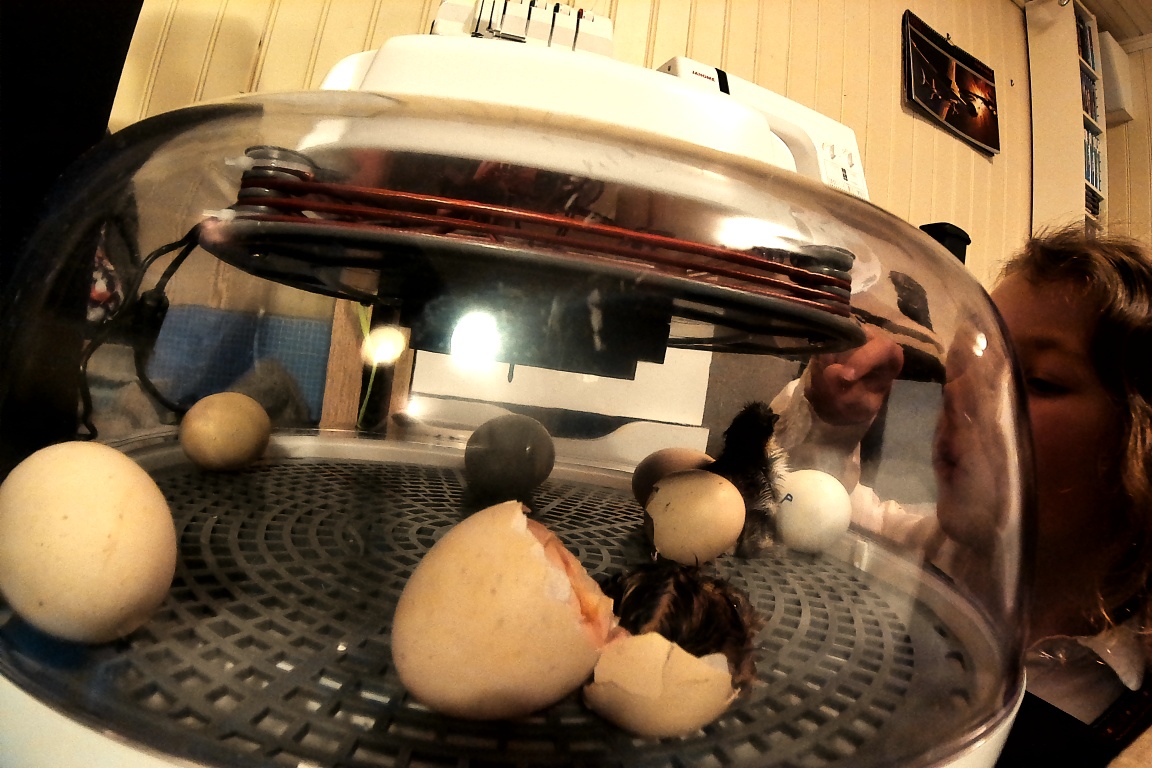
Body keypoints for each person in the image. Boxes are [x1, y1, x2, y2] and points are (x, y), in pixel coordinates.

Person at [774, 225, 1152, 763]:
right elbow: (811, 512)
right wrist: (832, 424)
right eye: (965, 366)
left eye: (1039, 381)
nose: (960, 394)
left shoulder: (1134, 711)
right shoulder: (924, 554)